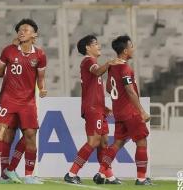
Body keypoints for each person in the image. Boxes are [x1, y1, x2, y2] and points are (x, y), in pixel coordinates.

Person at [0, 18, 47, 184]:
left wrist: (42, 89)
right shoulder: (9, 51)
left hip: (28, 102)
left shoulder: (40, 55)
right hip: (8, 99)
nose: (21, 32)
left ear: (34, 34)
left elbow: (40, 78)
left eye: (26, 30)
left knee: (30, 136)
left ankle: (27, 175)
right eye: (20, 30)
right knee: (0, 134)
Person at [64, 35, 123, 185]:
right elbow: (97, 72)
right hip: (92, 109)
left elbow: (94, 89)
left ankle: (107, 176)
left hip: (98, 108)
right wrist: (110, 63)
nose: (99, 46)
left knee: (103, 143)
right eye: (95, 44)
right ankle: (72, 173)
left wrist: (104, 107)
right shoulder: (88, 61)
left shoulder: (93, 62)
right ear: (87, 48)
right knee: (94, 141)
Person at [96, 35, 153, 185]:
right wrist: (141, 111)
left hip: (119, 112)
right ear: (125, 50)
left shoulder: (113, 67)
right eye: (131, 46)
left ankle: (101, 172)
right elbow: (130, 91)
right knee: (141, 141)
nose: (133, 49)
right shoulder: (125, 68)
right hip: (131, 112)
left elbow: (109, 88)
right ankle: (141, 179)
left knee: (117, 143)